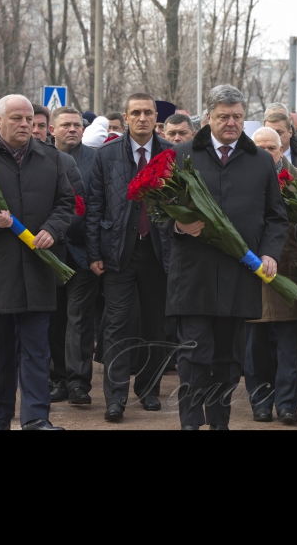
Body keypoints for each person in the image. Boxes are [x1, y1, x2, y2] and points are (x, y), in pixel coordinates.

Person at [164, 85, 288, 431]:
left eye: (237, 116)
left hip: (240, 272)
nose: (231, 122)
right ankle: (190, 422)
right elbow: (158, 209)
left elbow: (276, 216)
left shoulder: (261, 160)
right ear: (208, 118)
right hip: (194, 273)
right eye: (223, 117)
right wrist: (177, 224)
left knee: (229, 359)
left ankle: (219, 423)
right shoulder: (182, 155)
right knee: (193, 354)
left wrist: (268, 252)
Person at [0, 95, 74, 430]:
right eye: (17, 119)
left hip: (37, 270)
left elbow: (67, 203)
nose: (25, 125)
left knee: (37, 353)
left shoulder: (51, 158)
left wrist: (52, 229)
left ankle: (36, 420)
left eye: (29, 119)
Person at [86, 93, 173, 423]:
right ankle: (115, 397)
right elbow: (95, 206)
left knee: (156, 326)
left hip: (158, 252)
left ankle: (148, 389)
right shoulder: (106, 155)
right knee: (117, 326)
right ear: (125, 117)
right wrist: (94, 252)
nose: (142, 118)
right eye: (135, 112)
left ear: (155, 118)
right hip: (118, 252)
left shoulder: (170, 154)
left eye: (147, 112)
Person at [245, 127, 297, 426]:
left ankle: (286, 405)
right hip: (253, 275)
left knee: (288, 345)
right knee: (255, 346)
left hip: (289, 274)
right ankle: (260, 402)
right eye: (259, 147)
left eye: (271, 147)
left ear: (281, 149)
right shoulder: (241, 179)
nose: (266, 152)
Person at [29, 106, 85, 404]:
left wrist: (52, 231)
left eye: (39, 125)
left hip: (58, 253)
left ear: (47, 129)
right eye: (30, 124)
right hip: (18, 256)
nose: (35, 130)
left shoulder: (62, 161)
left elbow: (75, 206)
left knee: (60, 323)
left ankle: (62, 378)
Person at [48, 107, 100, 406]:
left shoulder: (97, 160)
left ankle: (79, 383)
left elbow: (99, 207)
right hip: (49, 252)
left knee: (79, 320)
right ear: (52, 129)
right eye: (65, 125)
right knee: (55, 320)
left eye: (77, 125)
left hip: (83, 253)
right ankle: (58, 379)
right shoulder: (42, 158)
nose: (72, 129)